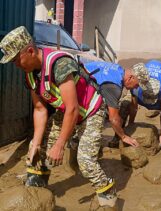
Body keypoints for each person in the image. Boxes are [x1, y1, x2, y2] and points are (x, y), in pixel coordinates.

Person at [0, 26, 117, 209]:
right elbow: (40, 109)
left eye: (16, 60)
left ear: (30, 51)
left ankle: (108, 196)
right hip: (69, 111)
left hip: (90, 111)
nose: (16, 65)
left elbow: (73, 108)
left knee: (86, 162)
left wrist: (60, 144)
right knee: (36, 149)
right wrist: (37, 144)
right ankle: (37, 190)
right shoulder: (30, 74)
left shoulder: (59, 64)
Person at [84, 61, 154, 148]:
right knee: (97, 121)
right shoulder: (114, 87)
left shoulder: (117, 69)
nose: (136, 87)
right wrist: (123, 137)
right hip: (75, 91)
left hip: (78, 84)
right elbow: (113, 119)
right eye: (137, 85)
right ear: (130, 78)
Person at [109, 61, 161, 148]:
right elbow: (133, 107)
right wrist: (131, 126)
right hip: (143, 82)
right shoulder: (136, 86)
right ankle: (117, 136)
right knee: (125, 105)